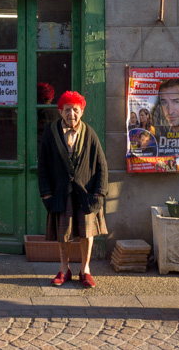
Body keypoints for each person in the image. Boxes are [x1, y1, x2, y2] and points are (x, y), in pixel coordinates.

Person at [38, 91, 108, 289]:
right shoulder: (50, 133)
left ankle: (85, 270)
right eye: (67, 110)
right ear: (60, 111)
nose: (72, 114)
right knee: (64, 234)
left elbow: (102, 164)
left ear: (82, 111)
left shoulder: (90, 133)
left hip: (86, 194)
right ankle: (64, 268)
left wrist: (99, 193)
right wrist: (47, 193)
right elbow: (43, 164)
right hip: (62, 193)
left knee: (87, 233)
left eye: (75, 110)